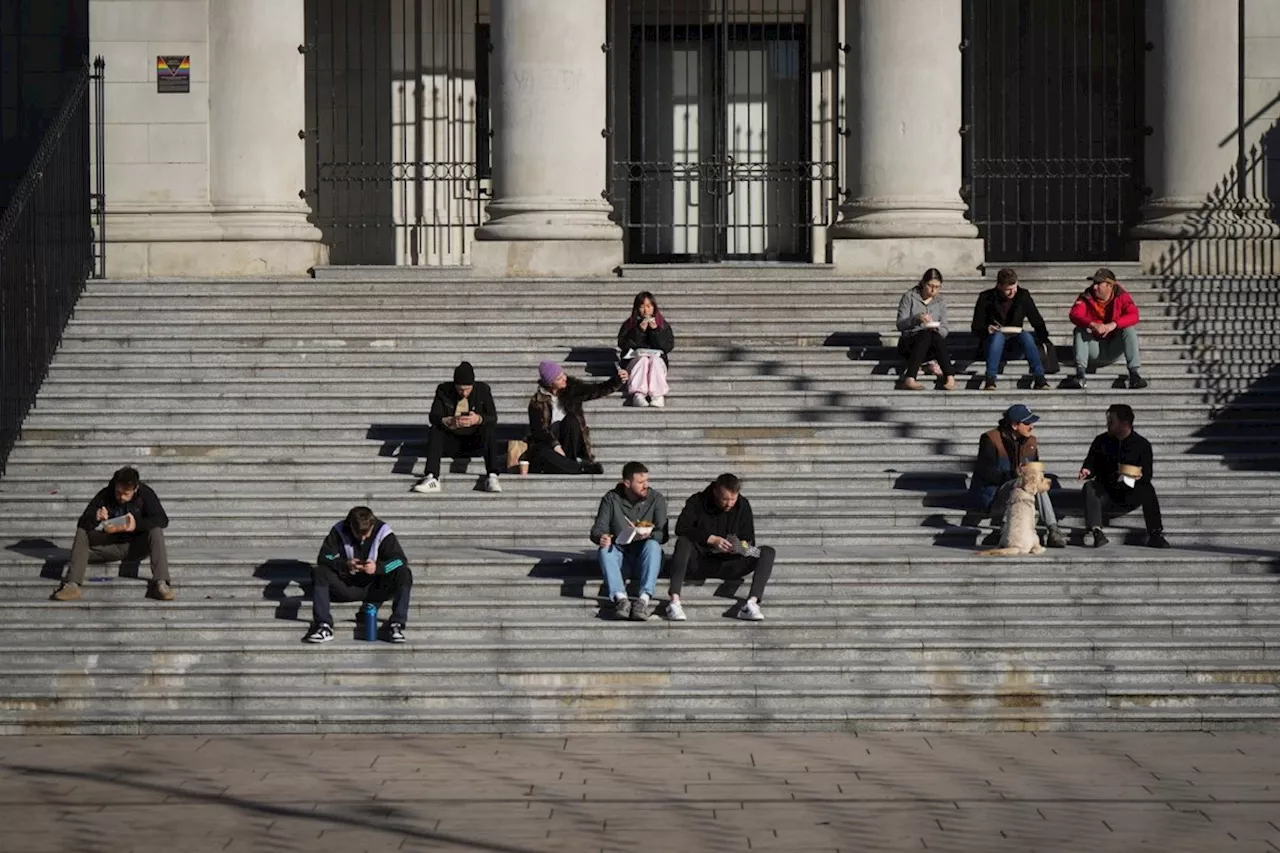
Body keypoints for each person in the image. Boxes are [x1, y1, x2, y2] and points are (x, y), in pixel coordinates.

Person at [51, 466, 175, 601]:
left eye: (126, 494)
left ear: (135, 489)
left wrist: (137, 524)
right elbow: (82, 522)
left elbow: (162, 520)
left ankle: (161, 584)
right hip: (110, 546)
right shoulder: (105, 494)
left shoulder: (146, 494)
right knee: (82, 532)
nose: (121, 497)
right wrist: (95, 517)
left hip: (136, 546)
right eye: (118, 493)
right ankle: (72, 585)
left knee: (156, 531)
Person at [665, 473, 775, 622]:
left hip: (731, 562)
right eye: (725, 499)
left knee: (766, 552)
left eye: (733, 499)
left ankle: (752, 603)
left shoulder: (743, 505)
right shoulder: (697, 501)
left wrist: (737, 546)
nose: (729, 504)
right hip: (700, 561)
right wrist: (710, 539)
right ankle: (674, 601)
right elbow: (681, 528)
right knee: (683, 542)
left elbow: (749, 542)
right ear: (716, 491)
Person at [306, 506, 414, 643]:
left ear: (372, 524)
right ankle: (324, 625)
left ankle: (396, 624)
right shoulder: (338, 530)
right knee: (320, 572)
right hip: (347, 586)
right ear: (350, 526)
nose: (363, 538)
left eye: (366, 534)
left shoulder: (383, 531)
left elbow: (400, 560)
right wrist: (345, 564)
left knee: (404, 573)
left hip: (376, 586)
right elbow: (324, 557)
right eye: (358, 534)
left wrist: (378, 568)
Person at [967, 404, 1067, 548]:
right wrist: (1014, 474)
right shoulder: (991, 439)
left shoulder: (1031, 442)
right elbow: (986, 474)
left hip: (1021, 495)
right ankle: (1005, 528)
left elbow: (1034, 474)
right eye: (1027, 423)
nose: (1031, 426)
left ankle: (1053, 529)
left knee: (1035, 483)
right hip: (993, 496)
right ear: (1014, 425)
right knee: (1021, 481)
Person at [1079, 404, 1168, 549]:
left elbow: (1147, 475)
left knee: (1147, 488)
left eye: (1111, 421)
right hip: (1106, 491)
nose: (1107, 424)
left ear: (1124, 423)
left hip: (1129, 492)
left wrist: (1134, 476)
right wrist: (1087, 470)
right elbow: (1090, 463)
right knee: (1089, 486)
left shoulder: (1142, 445)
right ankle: (1096, 531)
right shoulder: (1101, 441)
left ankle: (1155, 533)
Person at [589, 461, 669, 621]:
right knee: (605, 549)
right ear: (626, 483)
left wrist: (650, 535)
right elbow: (597, 530)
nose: (645, 485)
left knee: (653, 546)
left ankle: (643, 600)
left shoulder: (656, 499)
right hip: (621, 557)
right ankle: (621, 599)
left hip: (645, 558)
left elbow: (663, 534)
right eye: (640, 482)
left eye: (646, 481)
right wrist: (602, 538)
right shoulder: (611, 499)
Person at [412, 360, 501, 494]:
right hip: (451, 441)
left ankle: (492, 475)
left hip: (474, 442)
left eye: (467, 389)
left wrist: (478, 419)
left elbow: (493, 417)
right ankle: (432, 477)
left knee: (489, 429)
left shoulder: (483, 390)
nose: (464, 393)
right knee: (435, 430)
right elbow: (434, 416)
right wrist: (447, 421)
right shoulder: (443, 390)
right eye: (460, 389)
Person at [526, 360, 627, 475]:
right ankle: (579, 468)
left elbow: (596, 390)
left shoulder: (572, 389)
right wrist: (555, 446)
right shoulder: (537, 402)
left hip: (570, 443)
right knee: (540, 451)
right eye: (559, 378)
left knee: (571, 420)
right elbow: (539, 431)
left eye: (563, 374)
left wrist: (616, 381)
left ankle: (569, 465)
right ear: (550, 384)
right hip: (551, 446)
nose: (564, 378)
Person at [1063, 268, 1147, 390]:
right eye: (1094, 283)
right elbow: (1074, 314)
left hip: (1113, 348)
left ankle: (1134, 375)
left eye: (1099, 284)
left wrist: (1113, 324)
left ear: (1110, 285)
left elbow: (1134, 315)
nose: (1095, 287)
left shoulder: (1121, 295)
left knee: (1129, 329)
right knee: (1080, 330)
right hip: (1094, 349)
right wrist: (1092, 324)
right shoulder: (1086, 296)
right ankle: (1080, 375)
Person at [970, 267, 1052, 391]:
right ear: (999, 286)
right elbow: (976, 326)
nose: (1013, 292)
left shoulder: (1022, 295)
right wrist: (987, 329)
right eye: (1008, 290)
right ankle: (990, 378)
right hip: (992, 345)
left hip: (1015, 343)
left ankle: (1040, 378)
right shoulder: (986, 297)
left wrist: (1044, 339)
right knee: (998, 336)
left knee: (1026, 335)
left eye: (1015, 287)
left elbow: (1036, 320)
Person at [895, 267, 957, 391]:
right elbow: (900, 324)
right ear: (923, 283)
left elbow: (945, 328)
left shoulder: (940, 302)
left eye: (937, 287)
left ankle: (950, 377)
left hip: (932, 343)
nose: (933, 290)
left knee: (933, 335)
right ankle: (910, 378)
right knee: (925, 335)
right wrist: (916, 319)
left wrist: (936, 328)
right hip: (910, 341)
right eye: (930, 285)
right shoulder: (909, 297)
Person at [618, 290, 675, 407]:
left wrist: (655, 331)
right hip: (635, 361)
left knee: (654, 360)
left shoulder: (662, 324)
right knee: (643, 360)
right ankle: (638, 393)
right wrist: (639, 331)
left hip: (657, 360)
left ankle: (657, 395)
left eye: (649, 306)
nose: (646, 310)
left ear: (654, 307)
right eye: (642, 307)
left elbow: (667, 346)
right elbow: (624, 345)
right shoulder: (629, 324)